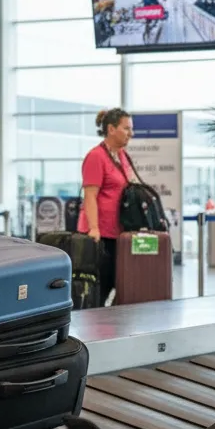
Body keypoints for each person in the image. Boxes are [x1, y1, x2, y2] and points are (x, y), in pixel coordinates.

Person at [78, 108, 138, 306]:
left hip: (118, 231)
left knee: (116, 281)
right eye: (126, 128)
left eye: (131, 129)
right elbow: (90, 195)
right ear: (111, 129)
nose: (131, 133)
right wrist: (93, 228)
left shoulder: (122, 156)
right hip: (100, 234)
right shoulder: (96, 156)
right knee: (102, 284)